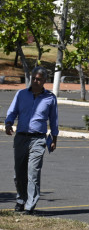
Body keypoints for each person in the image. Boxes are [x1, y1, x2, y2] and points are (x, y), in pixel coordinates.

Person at [4, 67, 58, 215]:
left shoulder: (50, 98)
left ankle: (30, 205)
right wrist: (8, 124)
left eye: (39, 79)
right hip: (21, 137)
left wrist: (54, 139)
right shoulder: (21, 94)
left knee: (33, 172)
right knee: (19, 173)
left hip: (38, 139)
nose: (35, 81)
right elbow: (12, 111)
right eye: (34, 78)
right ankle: (21, 199)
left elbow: (53, 120)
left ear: (44, 81)